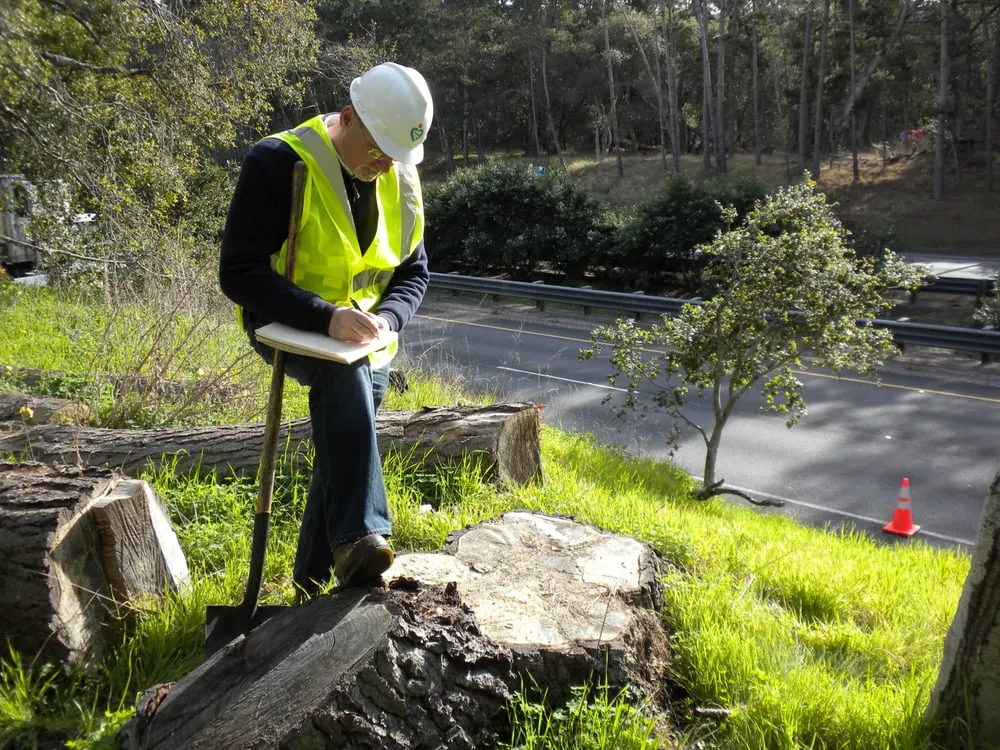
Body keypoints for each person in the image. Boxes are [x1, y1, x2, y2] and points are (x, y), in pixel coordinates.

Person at [218, 62, 433, 599]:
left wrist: (387, 319)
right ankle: (364, 534)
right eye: (377, 150)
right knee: (346, 395)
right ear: (347, 118)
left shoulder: (397, 175)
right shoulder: (278, 163)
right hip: (287, 323)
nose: (384, 166)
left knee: (345, 448)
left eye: (395, 156)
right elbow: (238, 272)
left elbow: (413, 272)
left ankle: (310, 586)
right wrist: (323, 316)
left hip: (367, 337)